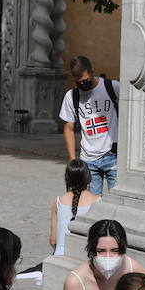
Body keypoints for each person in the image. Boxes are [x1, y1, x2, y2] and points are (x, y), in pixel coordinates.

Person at [58, 55, 119, 195]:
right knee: (92, 206)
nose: (82, 85)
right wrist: (73, 161)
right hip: (88, 160)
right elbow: (68, 129)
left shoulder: (112, 87)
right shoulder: (72, 96)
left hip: (113, 156)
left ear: (92, 71)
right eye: (78, 82)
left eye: (85, 80)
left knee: (116, 202)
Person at [50, 159, 99, 258]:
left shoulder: (59, 201)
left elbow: (53, 240)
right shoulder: (98, 202)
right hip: (86, 256)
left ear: (67, 178)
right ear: (89, 177)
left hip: (61, 254)